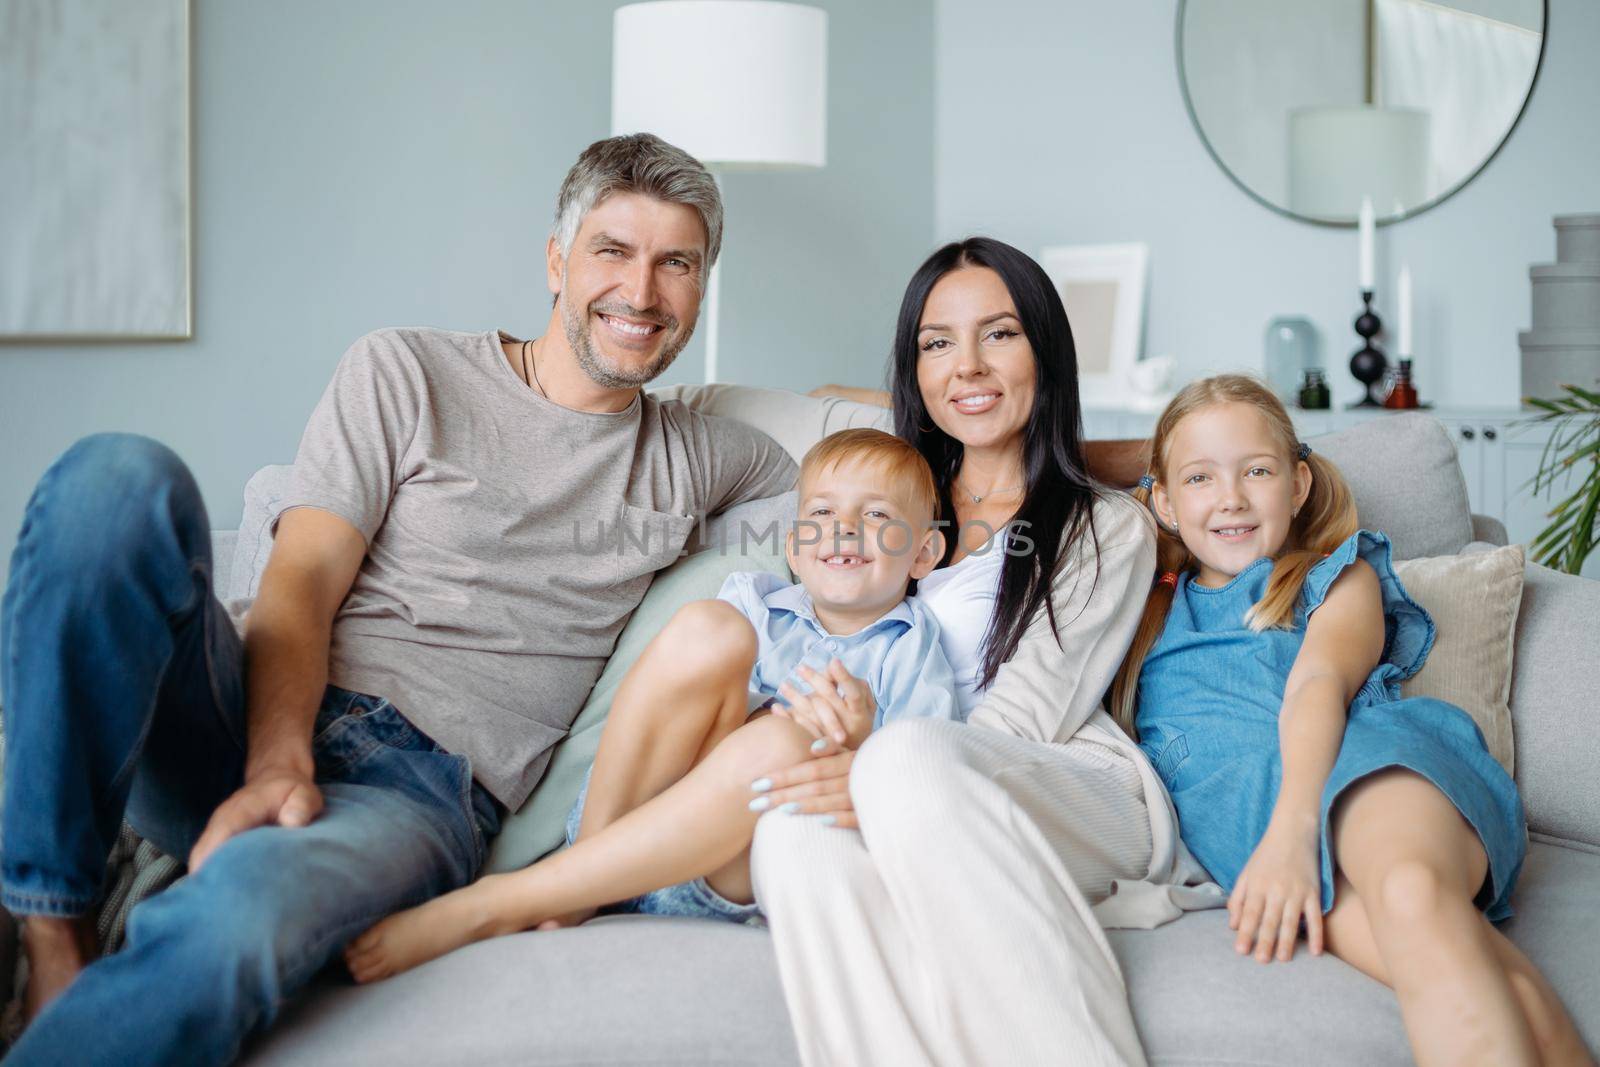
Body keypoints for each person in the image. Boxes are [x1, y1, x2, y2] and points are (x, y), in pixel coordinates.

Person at [0, 133, 798, 1066]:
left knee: (240, 915)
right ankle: (52, 927)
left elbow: (862, 463)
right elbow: (300, 577)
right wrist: (276, 762)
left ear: (702, 288)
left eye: (678, 264)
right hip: (249, 709)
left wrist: (910, 392)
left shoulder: (705, 457)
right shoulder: (409, 371)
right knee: (117, 481)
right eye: (613, 251)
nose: (643, 291)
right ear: (556, 259)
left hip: (418, 792)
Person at [685, 237, 1217, 1067]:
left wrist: (870, 758)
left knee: (904, 759)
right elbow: (761, 405)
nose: (967, 365)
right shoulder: (895, 494)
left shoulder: (1103, 525)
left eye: (999, 335)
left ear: (1047, 349)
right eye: (938, 343)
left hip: (1067, 783)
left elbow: (1023, 721)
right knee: (792, 829)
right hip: (893, 772)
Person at [342, 428, 963, 981]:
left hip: (720, 869)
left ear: (924, 554)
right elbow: (685, 699)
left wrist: (859, 744)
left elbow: (925, 781)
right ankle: (581, 877)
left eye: (877, 514)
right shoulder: (755, 600)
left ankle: (503, 902)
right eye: (822, 511)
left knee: (785, 739)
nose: (843, 528)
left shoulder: (912, 650)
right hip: (626, 813)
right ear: (796, 547)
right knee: (710, 628)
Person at [1111, 374, 1589, 1065]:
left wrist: (1290, 837)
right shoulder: (1143, 611)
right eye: (1198, 477)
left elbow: (1317, 684)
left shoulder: (1330, 574)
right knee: (1486, 973)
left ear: (1299, 484)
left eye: (1258, 470)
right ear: (1160, 499)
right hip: (1253, 834)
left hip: (1366, 769)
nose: (1231, 497)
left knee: (1411, 892)